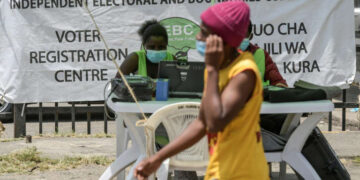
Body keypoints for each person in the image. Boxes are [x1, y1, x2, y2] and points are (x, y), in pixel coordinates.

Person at [134, 1, 269, 180]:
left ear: (223, 39)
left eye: (204, 33)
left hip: (243, 172)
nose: (198, 37)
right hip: (219, 170)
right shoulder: (215, 69)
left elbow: (216, 121)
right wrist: (158, 158)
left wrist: (212, 70)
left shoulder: (244, 72)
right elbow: (201, 123)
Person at [239, 21, 288, 87]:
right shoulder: (222, 54)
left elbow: (277, 81)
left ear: (250, 37)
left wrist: (280, 87)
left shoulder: (260, 54)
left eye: (243, 36)